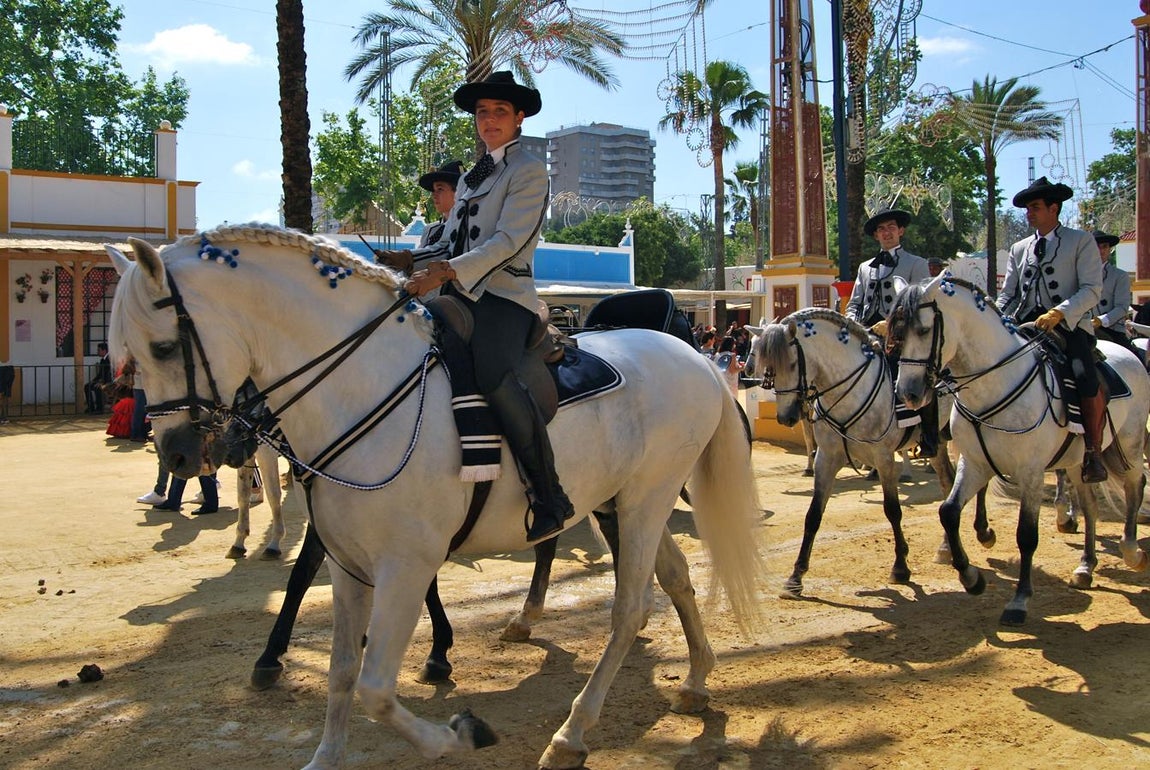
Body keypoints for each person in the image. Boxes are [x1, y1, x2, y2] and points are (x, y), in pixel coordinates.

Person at [383, 71, 572, 542]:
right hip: (461, 295)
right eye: (482, 112)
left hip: (506, 297)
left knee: (491, 374)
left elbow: (509, 241)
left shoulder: (529, 170)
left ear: (519, 117)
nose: (489, 119)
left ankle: (549, 495)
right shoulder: (472, 176)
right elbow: (449, 241)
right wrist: (409, 260)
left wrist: (445, 272)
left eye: (500, 111)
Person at [996, 177, 1106, 483]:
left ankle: (1093, 452)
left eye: (1035, 207)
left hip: (1068, 326)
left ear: (1053, 208)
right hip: (1025, 325)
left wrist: (1060, 312)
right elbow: (1009, 293)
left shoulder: (1080, 241)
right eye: (1027, 209)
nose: (1029, 213)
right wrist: (995, 316)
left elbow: (1092, 289)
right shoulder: (1019, 248)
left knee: (1084, 376)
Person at [846, 208, 937, 458]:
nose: (886, 233)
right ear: (876, 235)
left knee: (920, 374)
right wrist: (852, 324)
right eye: (881, 229)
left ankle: (928, 436)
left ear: (901, 231)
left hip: (901, 335)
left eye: (891, 228)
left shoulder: (916, 264)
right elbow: (854, 304)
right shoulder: (865, 268)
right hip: (866, 333)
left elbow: (922, 304)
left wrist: (892, 325)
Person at [1090, 231, 1133, 349]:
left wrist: (1100, 321)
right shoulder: (1077, 274)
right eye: (1096, 247)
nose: (1101, 251)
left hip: (1112, 329)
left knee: (1132, 356)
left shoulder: (1120, 276)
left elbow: (1122, 307)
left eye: (1104, 246)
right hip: (1083, 328)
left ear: (1109, 250)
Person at [417, 160, 464, 248]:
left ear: (458, 192)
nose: (434, 195)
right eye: (433, 190)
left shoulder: (467, 227)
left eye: (440, 189)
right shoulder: (430, 230)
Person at [84, 342, 112, 413]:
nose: (97, 352)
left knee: (98, 388)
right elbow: (100, 374)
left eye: (99, 350)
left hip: (109, 381)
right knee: (87, 386)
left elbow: (109, 373)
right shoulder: (102, 360)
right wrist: (94, 381)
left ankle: (99, 408)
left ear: (104, 351)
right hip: (103, 381)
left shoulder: (109, 359)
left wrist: (102, 382)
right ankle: (91, 407)